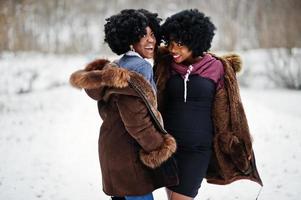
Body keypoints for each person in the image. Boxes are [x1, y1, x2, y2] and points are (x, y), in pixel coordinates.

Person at [70, 9, 178, 200]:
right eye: (143, 36)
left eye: (152, 34)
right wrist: (159, 147)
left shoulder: (117, 65)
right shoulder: (141, 67)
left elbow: (108, 110)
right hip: (130, 153)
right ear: (130, 39)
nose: (151, 40)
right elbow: (136, 118)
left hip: (111, 147)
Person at [154, 9, 263, 200]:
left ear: (196, 41)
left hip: (198, 150)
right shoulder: (164, 65)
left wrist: (242, 142)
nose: (173, 49)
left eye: (179, 44)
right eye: (170, 43)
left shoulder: (218, 68)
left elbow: (234, 109)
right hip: (167, 147)